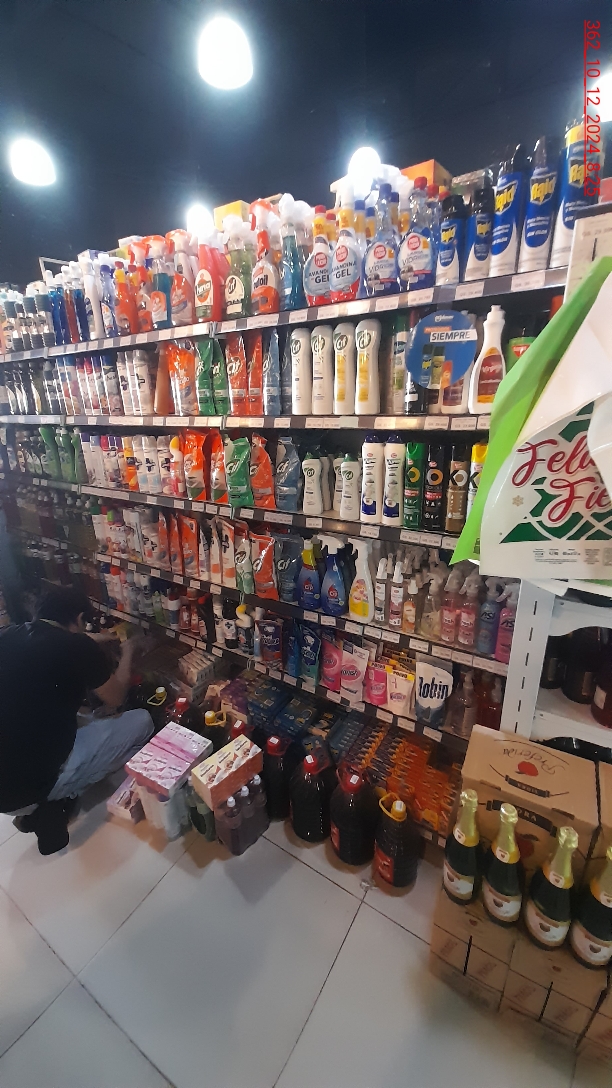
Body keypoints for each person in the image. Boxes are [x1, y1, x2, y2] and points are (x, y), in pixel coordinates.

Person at [0, 586, 153, 855]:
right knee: (142, 721)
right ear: (80, 618)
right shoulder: (77, 647)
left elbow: (61, 639)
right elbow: (116, 697)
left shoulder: (9, 634)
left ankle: (40, 801)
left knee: (85, 716)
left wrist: (103, 637)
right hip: (33, 787)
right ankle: (53, 803)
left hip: (5, 788)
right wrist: (128, 651)